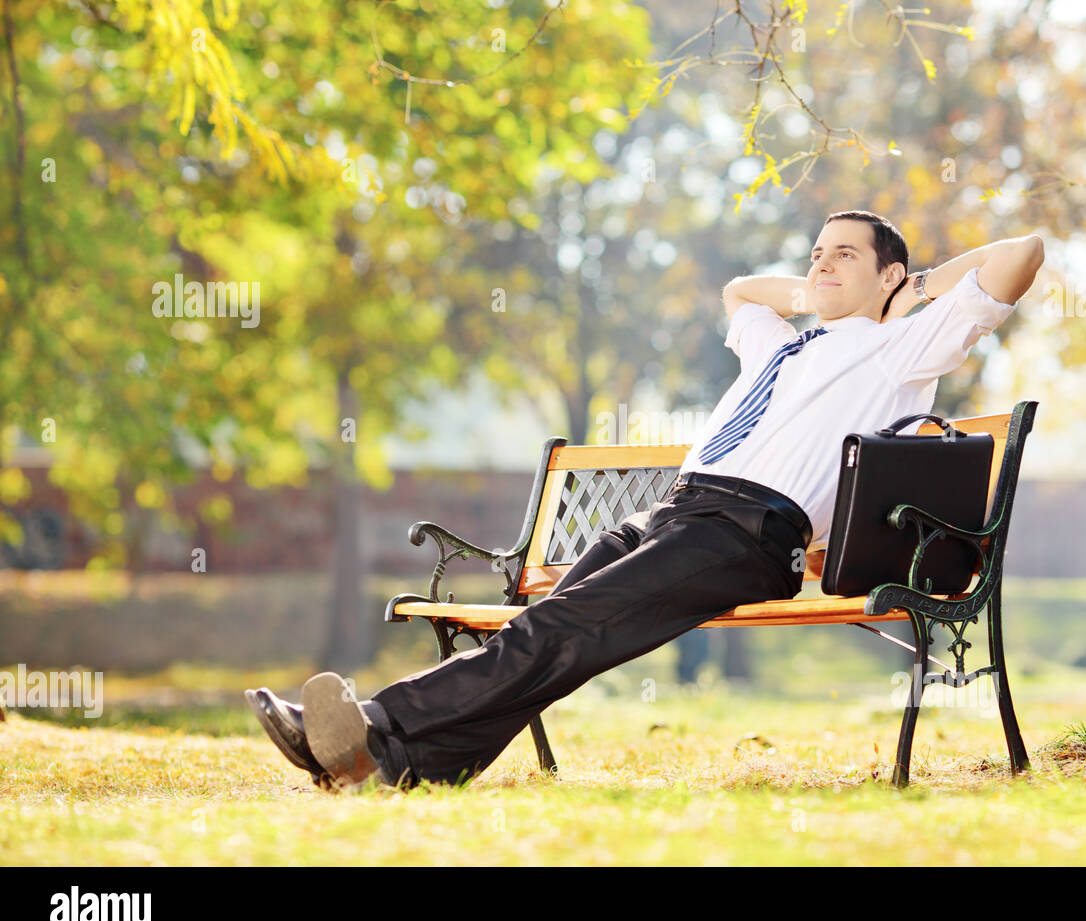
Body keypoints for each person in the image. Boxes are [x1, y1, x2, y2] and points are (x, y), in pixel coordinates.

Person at [245, 210, 1045, 791]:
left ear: (890, 274)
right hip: (668, 515)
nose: (822, 265)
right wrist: (813, 292)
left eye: (845, 255)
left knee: (562, 626)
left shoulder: (901, 350)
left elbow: (1022, 254)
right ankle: (408, 766)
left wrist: (917, 290)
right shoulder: (786, 340)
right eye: (816, 254)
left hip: (746, 534)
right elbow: (739, 292)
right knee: (550, 628)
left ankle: (373, 727)